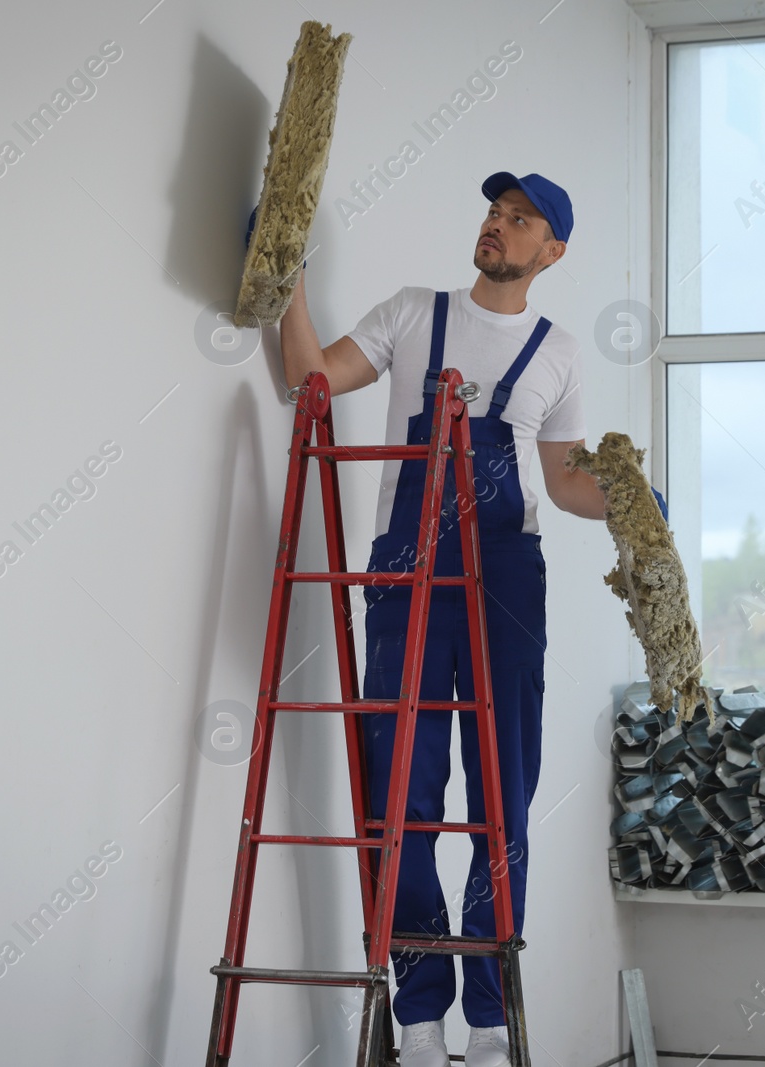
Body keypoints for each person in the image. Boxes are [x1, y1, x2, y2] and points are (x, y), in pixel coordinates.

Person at [276, 171, 606, 1067]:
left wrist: (628, 501)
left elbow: (568, 478)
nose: (497, 225)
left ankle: (490, 1017)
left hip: (506, 577)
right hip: (406, 569)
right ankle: (420, 1017)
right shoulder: (412, 312)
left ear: (553, 250)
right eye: (495, 212)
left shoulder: (559, 350)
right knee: (405, 798)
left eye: (521, 219)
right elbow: (310, 377)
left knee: (505, 796)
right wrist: (284, 283)